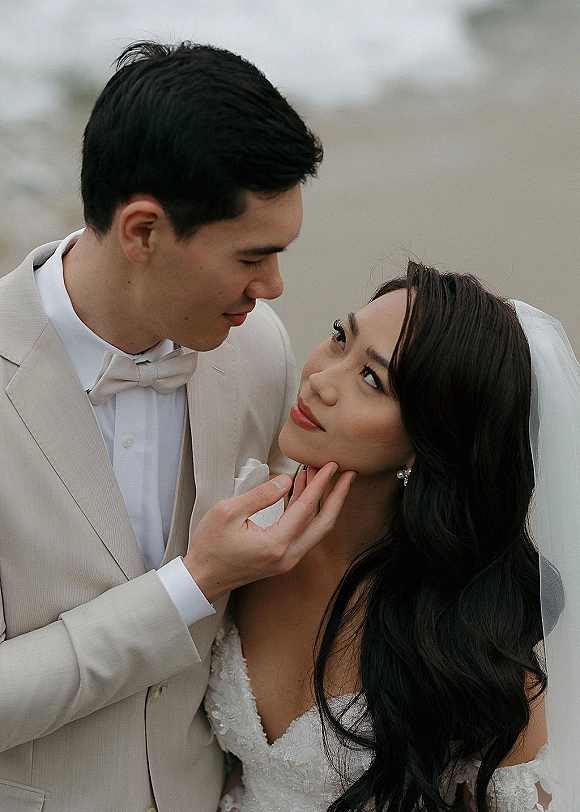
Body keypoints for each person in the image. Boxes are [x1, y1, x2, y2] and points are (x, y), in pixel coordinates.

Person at [0, 41, 355, 812]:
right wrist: (192, 585)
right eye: (253, 256)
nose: (274, 286)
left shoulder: (257, 347)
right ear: (142, 231)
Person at [205, 260, 580, 811]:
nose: (320, 380)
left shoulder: (473, 634)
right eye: (340, 339)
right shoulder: (238, 535)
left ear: (429, 441)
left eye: (371, 380)